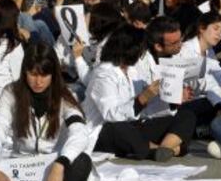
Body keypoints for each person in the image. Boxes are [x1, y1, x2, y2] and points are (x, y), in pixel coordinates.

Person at [0, 42, 91, 181]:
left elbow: (80, 133)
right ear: (24, 72)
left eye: (44, 75)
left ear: (53, 74)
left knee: (83, 163)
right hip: (20, 166)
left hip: (52, 166)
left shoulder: (65, 95)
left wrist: (61, 163)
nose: (38, 81)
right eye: (33, 74)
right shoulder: (10, 93)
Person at [83, 23, 195, 162]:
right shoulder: (103, 74)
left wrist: (172, 101)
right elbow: (111, 115)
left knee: (186, 115)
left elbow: (147, 110)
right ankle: (157, 150)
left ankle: (165, 148)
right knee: (120, 129)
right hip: (105, 129)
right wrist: (142, 98)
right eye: (140, 49)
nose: (142, 54)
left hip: (134, 125)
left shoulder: (132, 71)